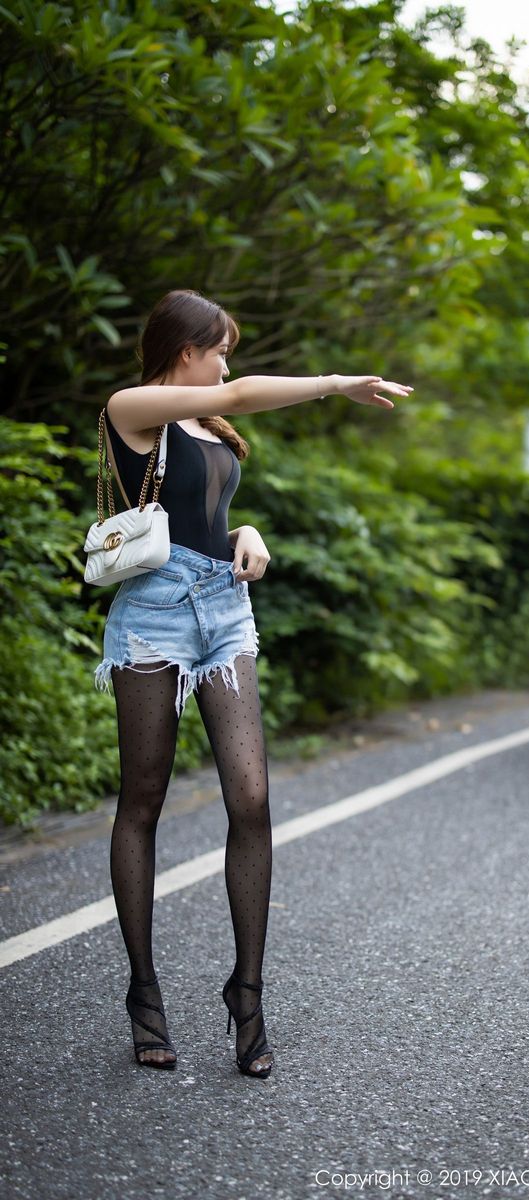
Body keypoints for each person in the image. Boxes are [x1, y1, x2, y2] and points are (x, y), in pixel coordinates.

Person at [93, 288, 413, 1078]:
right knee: (144, 797)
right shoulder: (133, 406)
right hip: (154, 617)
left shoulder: (209, 425)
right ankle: (144, 994)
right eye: (221, 347)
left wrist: (250, 531)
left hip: (224, 613)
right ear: (186, 349)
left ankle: (248, 993)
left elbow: (207, 517)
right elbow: (236, 393)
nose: (229, 362)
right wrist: (337, 383)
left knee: (251, 799)